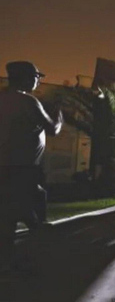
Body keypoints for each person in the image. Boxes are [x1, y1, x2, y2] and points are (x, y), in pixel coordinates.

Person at [0, 61, 63, 272]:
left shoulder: (4, 99)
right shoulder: (27, 101)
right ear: (27, 77)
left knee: (11, 213)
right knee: (27, 210)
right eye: (37, 76)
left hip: (8, 167)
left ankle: (13, 258)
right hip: (22, 169)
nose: (38, 80)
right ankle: (27, 260)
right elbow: (52, 129)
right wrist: (59, 115)